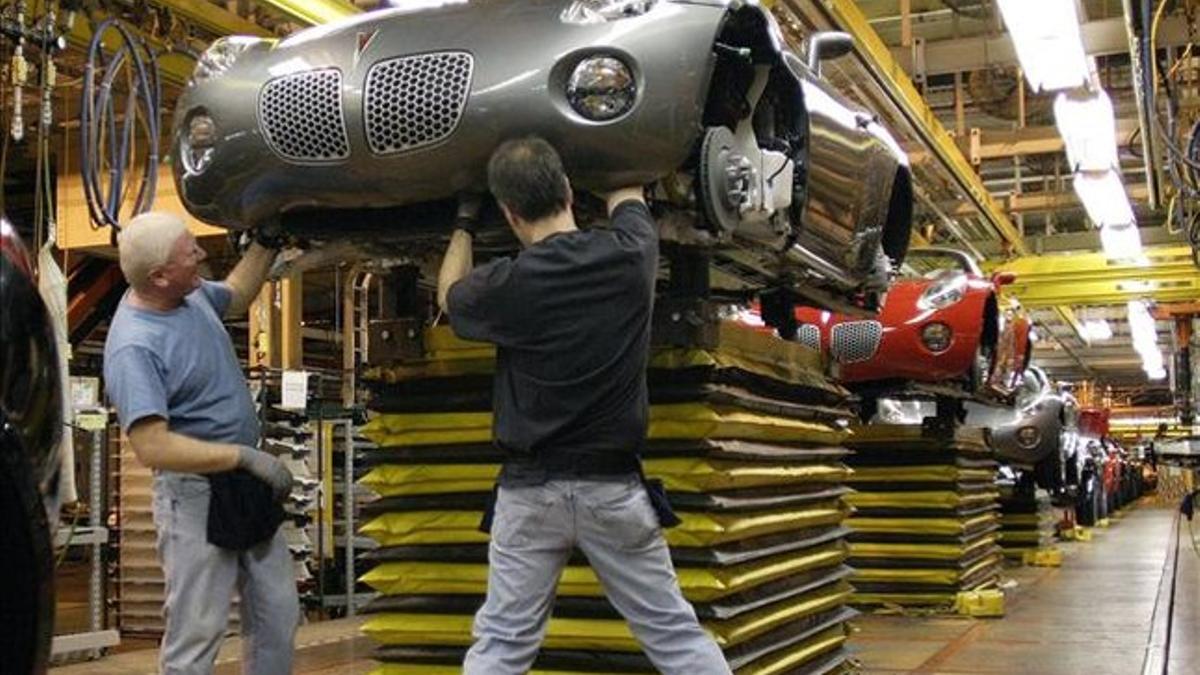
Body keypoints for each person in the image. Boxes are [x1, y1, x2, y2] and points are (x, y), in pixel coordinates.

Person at [438, 137, 732, 675]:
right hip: (613, 492)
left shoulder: (508, 285)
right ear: (569, 190)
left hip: (530, 494)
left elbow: (448, 294)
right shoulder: (629, 254)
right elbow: (628, 188)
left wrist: (462, 221)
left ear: (508, 212)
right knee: (674, 634)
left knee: (502, 643)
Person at [103, 212, 298, 674]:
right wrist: (243, 456)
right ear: (160, 276)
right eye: (191, 254)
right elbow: (152, 447)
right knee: (198, 630)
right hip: (195, 494)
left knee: (278, 613)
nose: (203, 256)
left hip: (244, 484)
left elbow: (234, 295)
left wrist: (265, 243)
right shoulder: (135, 346)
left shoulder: (189, 298)